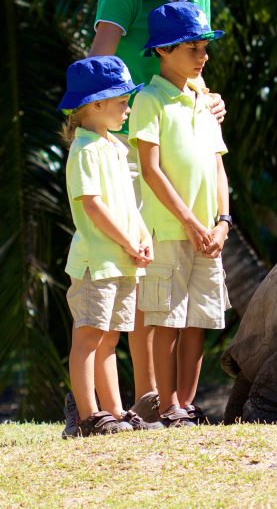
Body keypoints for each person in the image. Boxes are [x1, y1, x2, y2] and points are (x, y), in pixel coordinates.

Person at [90, 0, 242, 416]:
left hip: (182, 143)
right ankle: (124, 401)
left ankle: (159, 404)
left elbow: (195, 64)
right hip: (126, 149)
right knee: (135, 277)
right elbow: (97, 67)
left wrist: (208, 98)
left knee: (168, 291)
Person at [130, 1, 233, 427]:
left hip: (210, 234)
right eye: (192, 46)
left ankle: (184, 406)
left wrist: (223, 223)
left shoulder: (205, 102)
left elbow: (218, 166)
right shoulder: (148, 100)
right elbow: (150, 170)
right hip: (170, 231)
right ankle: (165, 405)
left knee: (199, 321)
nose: (202, 54)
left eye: (205, 46)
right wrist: (192, 224)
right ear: (162, 51)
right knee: (167, 322)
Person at [58, 56, 161, 436]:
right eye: (121, 101)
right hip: (95, 263)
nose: (127, 108)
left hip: (122, 261)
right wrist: (127, 241)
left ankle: (115, 411)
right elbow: (93, 205)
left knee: (110, 338)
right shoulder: (84, 150)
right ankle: (88, 416)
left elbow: (127, 202)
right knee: (88, 335)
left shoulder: (115, 146)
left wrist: (142, 238)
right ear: (96, 105)